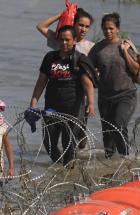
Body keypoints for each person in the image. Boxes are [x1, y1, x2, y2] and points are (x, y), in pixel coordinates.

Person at [29, 25, 96, 166]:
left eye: (67, 40)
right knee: (49, 143)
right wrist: (33, 104)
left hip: (73, 109)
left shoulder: (79, 59)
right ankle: (59, 171)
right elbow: (41, 82)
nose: (64, 43)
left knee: (68, 144)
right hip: (51, 107)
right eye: (61, 40)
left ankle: (69, 172)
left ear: (74, 40)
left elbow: (88, 84)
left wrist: (90, 104)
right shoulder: (50, 58)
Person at [87, 12, 139, 158]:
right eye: (105, 28)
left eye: (111, 28)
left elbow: (136, 69)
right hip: (105, 97)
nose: (108, 31)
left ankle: (126, 158)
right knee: (108, 134)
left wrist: (125, 52)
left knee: (118, 125)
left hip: (126, 95)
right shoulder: (97, 49)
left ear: (118, 28)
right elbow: (87, 70)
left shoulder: (126, 46)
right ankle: (110, 165)